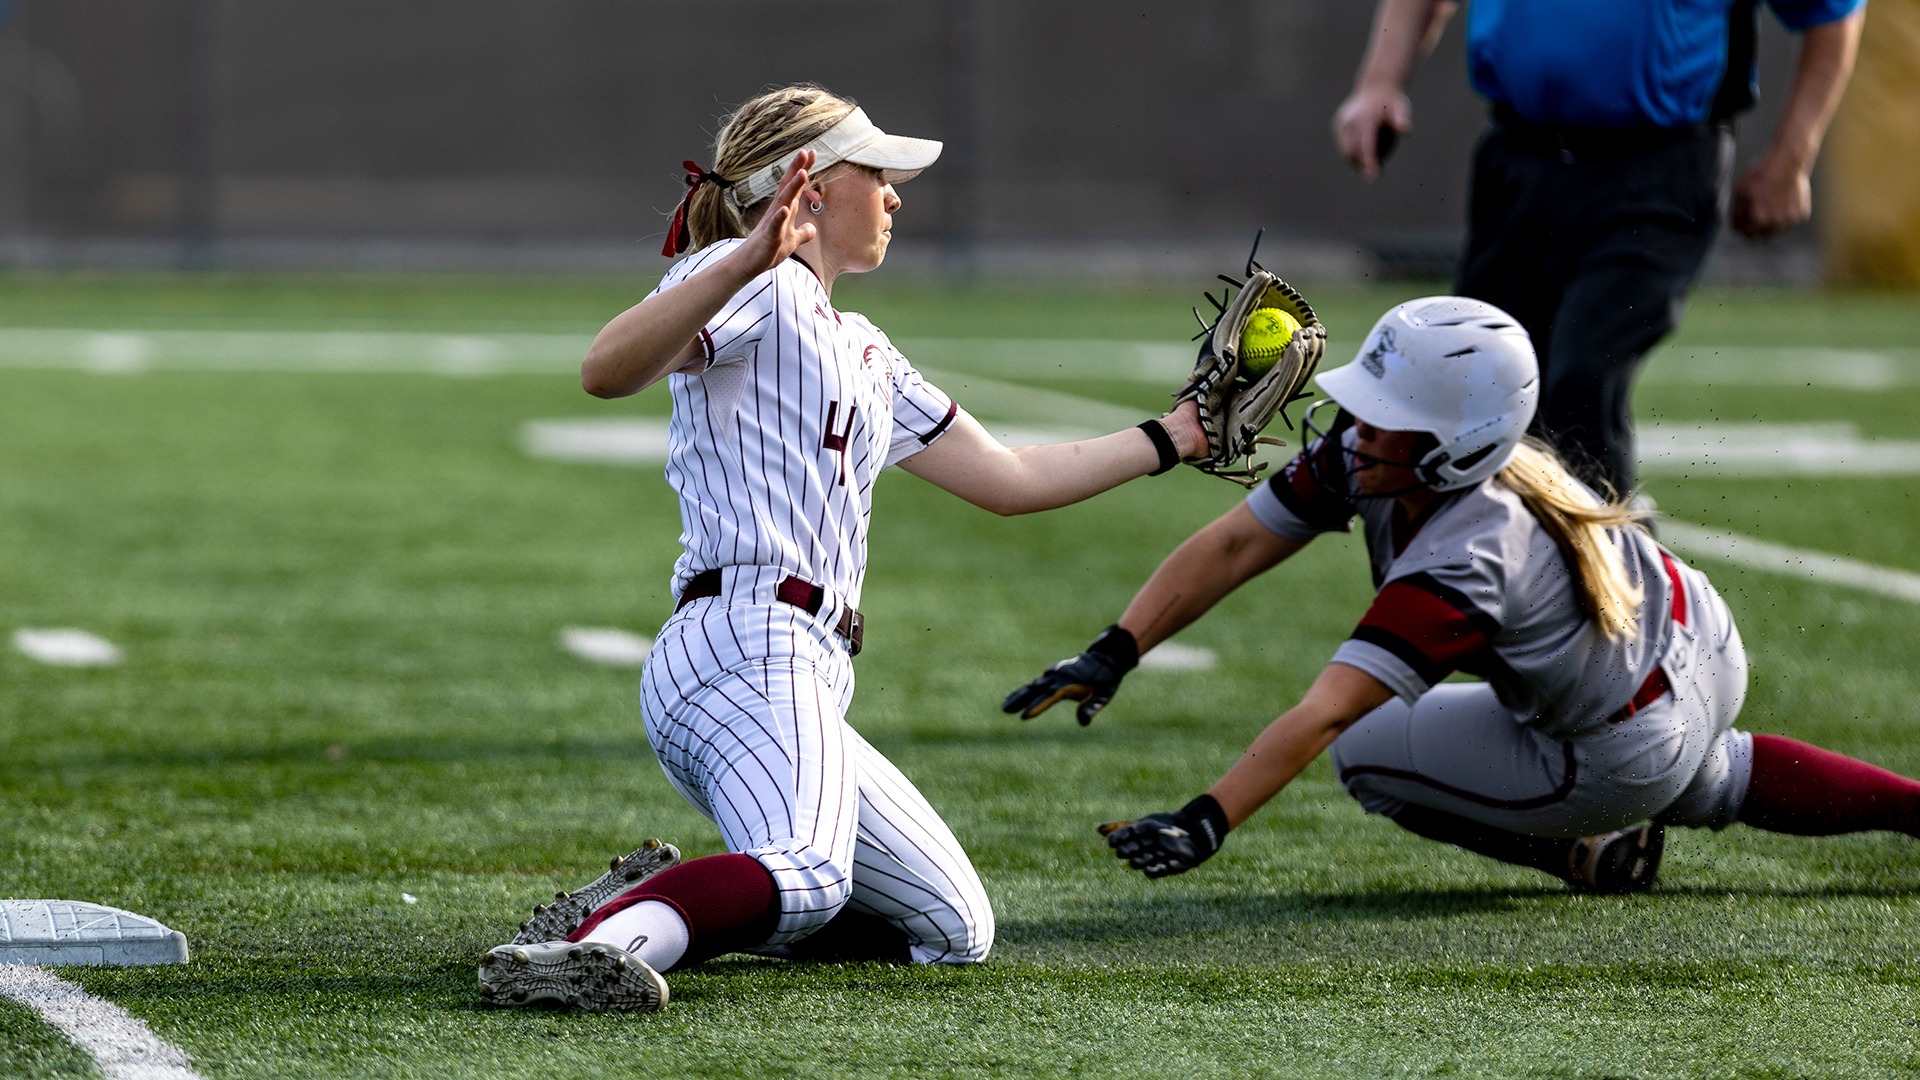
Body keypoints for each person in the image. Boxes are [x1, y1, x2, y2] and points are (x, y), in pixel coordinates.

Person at [475, 84, 1212, 1012]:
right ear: (807, 186)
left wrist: (1173, 437)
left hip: (804, 664)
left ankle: (645, 912)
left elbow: (1009, 481)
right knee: (813, 869)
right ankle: (603, 947)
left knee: (951, 929)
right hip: (743, 642)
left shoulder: (859, 343)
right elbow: (605, 369)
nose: (897, 195)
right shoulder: (759, 284)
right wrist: (744, 257)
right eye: (878, 173)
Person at [1005, 297, 1920, 891]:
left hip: (1629, 734)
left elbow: (1328, 712)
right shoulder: (1424, 460)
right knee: (1706, 769)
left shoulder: (1469, 554)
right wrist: (1116, 648)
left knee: (1366, 753)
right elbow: (1241, 540)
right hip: (1699, 638)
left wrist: (1207, 819)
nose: (1357, 426)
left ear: (1454, 443)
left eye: (1387, 414)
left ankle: (1585, 850)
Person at [1330, 0, 1865, 497]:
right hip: (1520, 160)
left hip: (1659, 170)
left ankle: (1623, 592)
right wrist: (1379, 81)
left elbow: (1834, 12)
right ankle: (1477, 584)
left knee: (1582, 378)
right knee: (1472, 389)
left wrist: (1792, 158)